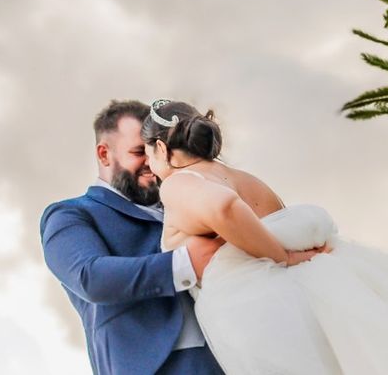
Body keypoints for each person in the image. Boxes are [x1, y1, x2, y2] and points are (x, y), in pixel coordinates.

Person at [142, 98, 388, 375]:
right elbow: (280, 220)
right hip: (308, 296)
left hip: (256, 312)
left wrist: (280, 257)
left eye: (147, 152)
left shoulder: (180, 183)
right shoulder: (247, 178)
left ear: (161, 147)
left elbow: (225, 210)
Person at [40, 100, 322, 374]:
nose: (149, 163)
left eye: (150, 151)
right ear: (104, 154)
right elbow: (90, 277)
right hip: (161, 365)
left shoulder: (191, 192)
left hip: (237, 354)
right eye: (138, 152)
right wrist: (185, 263)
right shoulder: (70, 214)